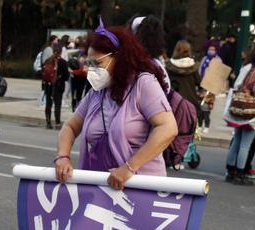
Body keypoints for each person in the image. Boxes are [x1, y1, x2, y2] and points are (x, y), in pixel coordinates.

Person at [54, 21, 176, 189]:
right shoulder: (97, 93)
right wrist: (63, 156)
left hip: (141, 188)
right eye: (88, 64)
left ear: (120, 58)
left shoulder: (143, 84)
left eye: (97, 64)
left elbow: (167, 128)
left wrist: (129, 167)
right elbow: (70, 126)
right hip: (101, 189)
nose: (91, 70)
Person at [222, 43, 255, 186]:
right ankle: (240, 173)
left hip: (238, 109)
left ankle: (230, 171)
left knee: (236, 140)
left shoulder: (246, 68)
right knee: (245, 144)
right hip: (251, 113)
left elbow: (237, 86)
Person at [166, 40, 200, 113]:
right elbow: (199, 82)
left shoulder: (169, 66)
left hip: (174, 103)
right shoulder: (193, 66)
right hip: (191, 103)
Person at [41, 43, 69, 128]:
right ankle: (57, 123)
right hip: (58, 85)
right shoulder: (63, 62)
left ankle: (48, 123)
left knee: (48, 104)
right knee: (57, 104)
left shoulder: (47, 60)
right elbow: (66, 76)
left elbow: (43, 73)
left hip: (48, 85)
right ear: (60, 52)